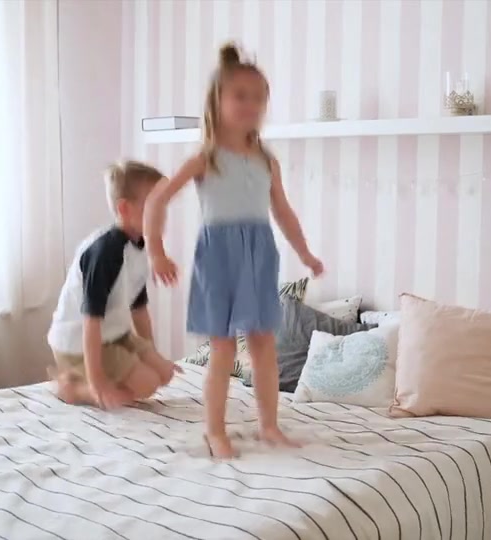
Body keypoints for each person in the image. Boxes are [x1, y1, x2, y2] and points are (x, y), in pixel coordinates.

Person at [144, 43, 323, 459]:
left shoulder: (266, 160)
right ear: (217, 101)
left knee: (263, 344)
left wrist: (306, 254)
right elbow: (156, 200)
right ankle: (214, 431)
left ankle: (269, 426)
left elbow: (283, 212)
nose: (251, 105)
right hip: (218, 256)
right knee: (223, 348)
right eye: (240, 96)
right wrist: (156, 251)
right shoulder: (206, 158)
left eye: (259, 98)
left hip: (259, 253)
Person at [47, 160, 180, 409]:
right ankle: (74, 388)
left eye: (163, 205)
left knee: (164, 374)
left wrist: (150, 353)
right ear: (125, 209)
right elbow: (91, 321)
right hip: (78, 342)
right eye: (154, 206)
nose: (162, 214)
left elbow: (138, 308)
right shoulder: (105, 252)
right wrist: (97, 383)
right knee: (148, 384)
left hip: (114, 333)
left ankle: (100, 379)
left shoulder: (140, 246)